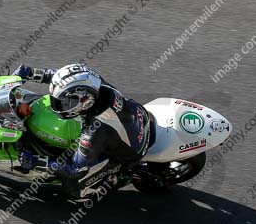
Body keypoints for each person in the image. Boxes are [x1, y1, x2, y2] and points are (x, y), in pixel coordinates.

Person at [12, 63, 154, 198]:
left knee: (75, 188)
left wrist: (36, 161)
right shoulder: (93, 82)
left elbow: (74, 168)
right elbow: (61, 79)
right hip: (136, 114)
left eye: (65, 103)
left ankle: (117, 178)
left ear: (84, 100)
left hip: (130, 152)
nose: (58, 105)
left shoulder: (94, 132)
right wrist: (30, 73)